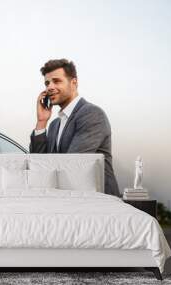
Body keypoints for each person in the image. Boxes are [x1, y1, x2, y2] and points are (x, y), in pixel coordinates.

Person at [29, 59, 120, 197]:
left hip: (99, 203)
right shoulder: (54, 125)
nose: (49, 87)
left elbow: (71, 166)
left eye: (56, 81)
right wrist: (41, 122)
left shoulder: (92, 114)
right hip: (70, 200)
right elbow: (38, 164)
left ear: (74, 83)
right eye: (47, 83)